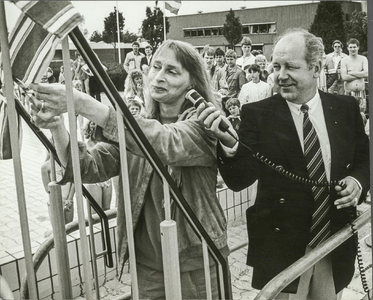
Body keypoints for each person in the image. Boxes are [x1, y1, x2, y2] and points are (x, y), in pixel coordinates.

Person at [29, 39, 230, 299]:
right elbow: (90, 167)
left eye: (171, 71)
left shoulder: (204, 123)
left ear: (193, 82)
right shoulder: (137, 125)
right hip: (146, 265)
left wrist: (82, 103)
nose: (158, 77)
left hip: (198, 260)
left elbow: (164, 143)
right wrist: (57, 126)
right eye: (156, 67)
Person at [197, 28, 369, 300]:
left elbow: (364, 157)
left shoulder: (345, 108)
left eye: (290, 66)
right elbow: (239, 179)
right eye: (276, 66)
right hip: (282, 249)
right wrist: (229, 144)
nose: (280, 75)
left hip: (331, 241)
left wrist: (357, 182)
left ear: (316, 68)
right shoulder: (257, 114)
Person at [340, 38, 369, 113]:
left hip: (361, 92)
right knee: (348, 115)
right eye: (351, 47)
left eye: (354, 47)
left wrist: (352, 73)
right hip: (349, 92)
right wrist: (360, 74)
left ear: (358, 47)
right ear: (347, 48)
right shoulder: (344, 60)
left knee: (361, 114)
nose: (352, 49)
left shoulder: (363, 59)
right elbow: (344, 77)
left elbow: (367, 73)